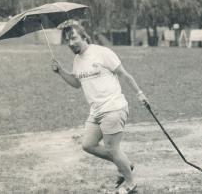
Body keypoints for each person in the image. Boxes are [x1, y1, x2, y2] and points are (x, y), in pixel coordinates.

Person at [51, 20, 148, 194]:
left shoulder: (102, 53)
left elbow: (124, 74)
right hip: (96, 111)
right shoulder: (77, 60)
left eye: (73, 38)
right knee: (88, 144)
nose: (71, 43)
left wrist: (140, 94)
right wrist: (60, 71)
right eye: (67, 40)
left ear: (83, 36)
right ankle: (125, 163)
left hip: (114, 107)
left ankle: (131, 183)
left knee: (112, 148)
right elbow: (76, 83)